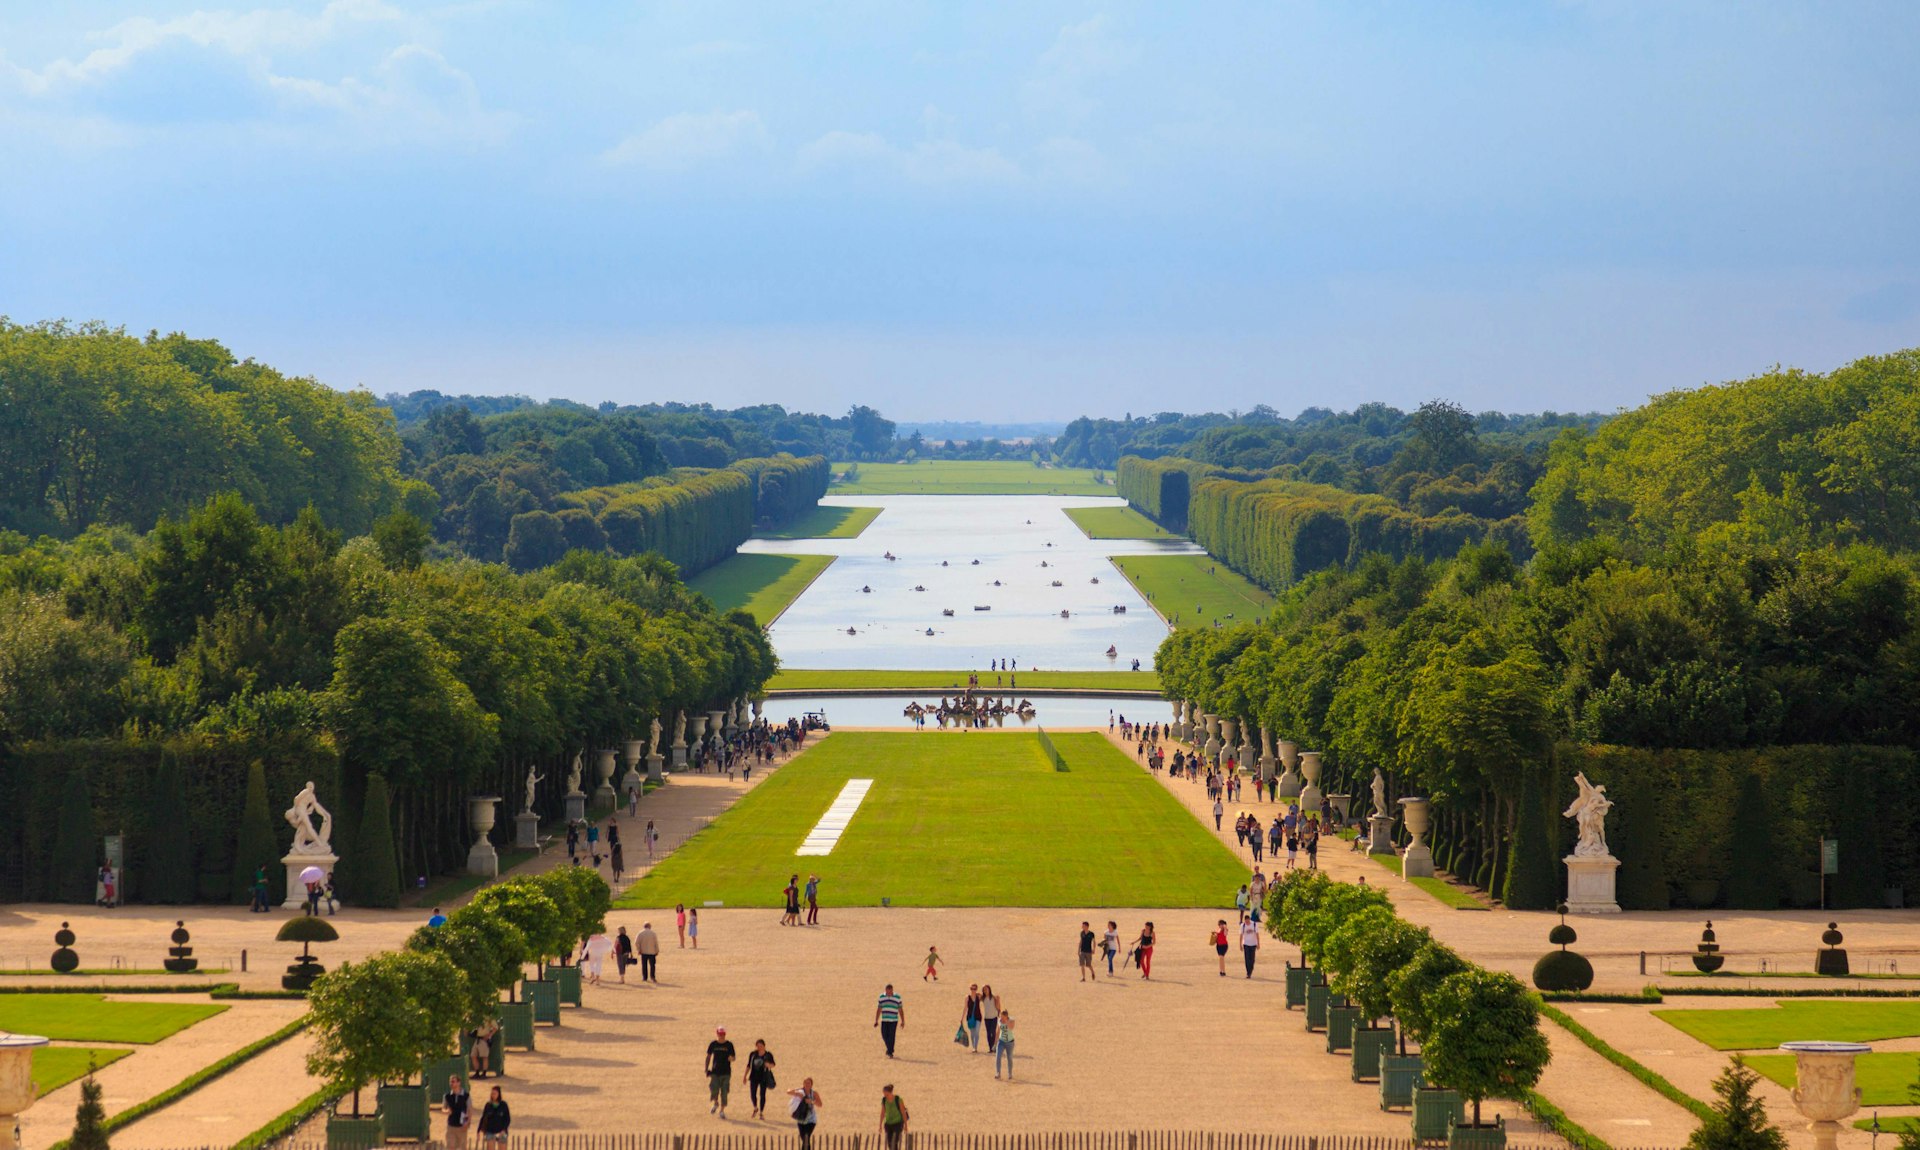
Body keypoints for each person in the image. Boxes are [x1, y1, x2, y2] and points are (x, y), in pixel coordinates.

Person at [705, 1026, 737, 1118]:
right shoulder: (713, 1044)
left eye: (723, 1034)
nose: (721, 1036)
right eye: (720, 1034)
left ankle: (722, 1111)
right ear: (717, 1034)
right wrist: (706, 1069)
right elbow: (708, 1056)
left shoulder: (729, 1045)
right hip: (715, 1072)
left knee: (724, 1092)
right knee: (714, 1089)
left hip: (726, 1072)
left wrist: (732, 1058)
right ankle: (716, 1103)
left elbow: (734, 1057)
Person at [745, 1039, 777, 1119]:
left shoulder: (768, 1055)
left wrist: (768, 1065)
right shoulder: (753, 1054)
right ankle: (755, 1108)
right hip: (753, 1077)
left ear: (764, 1046)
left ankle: (761, 1112)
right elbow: (749, 1065)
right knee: (752, 1094)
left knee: (762, 1095)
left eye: (761, 1046)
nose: (759, 1048)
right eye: (758, 1046)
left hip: (763, 1077)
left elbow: (773, 1064)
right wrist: (745, 1076)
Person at [788, 1078, 822, 1149]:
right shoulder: (800, 1092)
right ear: (803, 1084)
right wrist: (797, 1091)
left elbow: (820, 1104)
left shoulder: (814, 1093)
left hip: (811, 1120)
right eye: (805, 1083)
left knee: (807, 1137)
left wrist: (812, 1101)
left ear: (811, 1085)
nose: (807, 1084)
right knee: (803, 1138)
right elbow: (788, 1092)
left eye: (809, 1083)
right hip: (801, 1119)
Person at [874, 983, 904, 1057]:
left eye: (890, 992)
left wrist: (903, 1021)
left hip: (894, 1020)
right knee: (884, 1035)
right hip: (884, 1019)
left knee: (891, 1036)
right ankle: (890, 1049)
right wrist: (876, 1020)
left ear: (892, 990)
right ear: (885, 990)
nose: (889, 994)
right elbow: (879, 1009)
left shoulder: (897, 997)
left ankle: (890, 1052)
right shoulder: (881, 997)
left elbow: (900, 1009)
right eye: (888, 992)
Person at [444, 1074, 472, 1150]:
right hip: (451, 1125)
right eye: (450, 1082)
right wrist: (446, 1111)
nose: (451, 1084)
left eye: (453, 1082)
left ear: (459, 1083)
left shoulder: (466, 1096)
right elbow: (443, 1108)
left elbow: (469, 1110)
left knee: (462, 1147)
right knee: (450, 1146)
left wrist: (467, 1122)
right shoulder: (447, 1096)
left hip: (462, 1125)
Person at [879, 1084, 909, 1150]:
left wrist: (906, 1126)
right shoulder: (884, 1100)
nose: (885, 1096)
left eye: (887, 1095)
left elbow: (903, 1113)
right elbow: (882, 1113)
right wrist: (880, 1125)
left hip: (897, 1123)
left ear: (891, 1092)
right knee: (889, 1143)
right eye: (884, 1094)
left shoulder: (898, 1099)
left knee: (894, 1141)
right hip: (888, 1124)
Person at [994, 1009, 1017, 1081]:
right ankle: (998, 1073)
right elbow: (998, 1030)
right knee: (998, 1056)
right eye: (1001, 1016)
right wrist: (995, 1041)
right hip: (1001, 1041)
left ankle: (1010, 1073)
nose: (1001, 1018)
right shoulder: (999, 1021)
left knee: (1009, 1058)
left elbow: (1011, 1028)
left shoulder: (1011, 1020)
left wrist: (1006, 1022)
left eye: (1003, 1017)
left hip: (1010, 1042)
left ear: (1006, 1016)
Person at [980, 984, 1001, 1050]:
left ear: (989, 989)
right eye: (984, 990)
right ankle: (990, 1048)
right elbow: (976, 996)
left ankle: (994, 1046)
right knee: (988, 1033)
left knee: (993, 1032)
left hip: (994, 1017)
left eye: (986, 989)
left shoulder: (994, 997)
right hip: (986, 1018)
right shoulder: (983, 998)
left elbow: (998, 1007)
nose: (985, 991)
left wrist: (998, 1000)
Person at [963, 984, 983, 1052]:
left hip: (978, 1016)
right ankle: (973, 1046)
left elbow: (986, 997)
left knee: (977, 1032)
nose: (973, 990)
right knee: (972, 1033)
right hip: (970, 1017)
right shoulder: (967, 997)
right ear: (970, 989)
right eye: (972, 989)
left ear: (976, 989)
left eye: (974, 989)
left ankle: (975, 1048)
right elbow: (965, 1008)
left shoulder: (979, 996)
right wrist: (962, 1018)